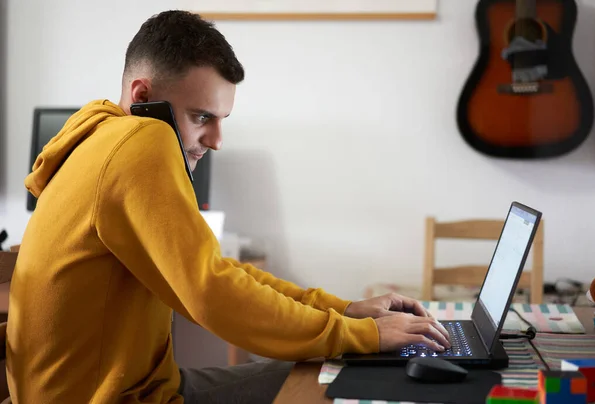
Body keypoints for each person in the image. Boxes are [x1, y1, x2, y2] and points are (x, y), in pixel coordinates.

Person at [6, 10, 451, 404]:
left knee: (331, 370)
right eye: (201, 117)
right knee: (337, 382)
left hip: (139, 386)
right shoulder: (141, 139)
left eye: (221, 120)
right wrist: (358, 336)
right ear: (142, 99)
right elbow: (212, 293)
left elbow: (216, 271)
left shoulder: (99, 136)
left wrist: (345, 311)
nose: (216, 141)